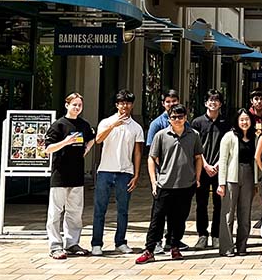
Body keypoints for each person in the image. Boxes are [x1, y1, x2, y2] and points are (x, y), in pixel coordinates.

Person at [136, 104, 202, 264]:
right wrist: (154, 181)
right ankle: (149, 250)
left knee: (179, 219)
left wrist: (197, 178)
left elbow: (198, 157)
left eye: (180, 117)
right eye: (174, 117)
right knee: (157, 219)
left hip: (186, 185)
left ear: (186, 118)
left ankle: (174, 246)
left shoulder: (194, 135)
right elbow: (152, 158)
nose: (177, 120)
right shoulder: (161, 135)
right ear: (169, 119)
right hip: (164, 185)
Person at [91, 89, 143, 256]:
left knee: (123, 209)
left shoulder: (136, 127)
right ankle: (96, 243)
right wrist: (113, 125)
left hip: (125, 172)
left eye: (127, 103)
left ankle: (120, 242)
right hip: (105, 170)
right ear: (116, 105)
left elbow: (137, 152)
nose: (124, 106)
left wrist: (136, 174)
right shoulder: (106, 122)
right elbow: (98, 139)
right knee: (100, 209)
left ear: (132, 105)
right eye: (121, 103)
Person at [44, 92, 96, 259]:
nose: (77, 108)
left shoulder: (83, 124)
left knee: (75, 211)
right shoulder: (58, 125)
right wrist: (66, 142)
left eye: (80, 105)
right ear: (67, 105)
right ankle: (55, 246)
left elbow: (92, 138)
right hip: (60, 174)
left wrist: (86, 150)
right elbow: (48, 148)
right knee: (55, 212)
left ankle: (72, 243)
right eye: (74, 104)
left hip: (77, 174)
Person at [192, 89, 229, 248]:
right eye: (210, 100)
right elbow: (195, 147)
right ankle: (202, 235)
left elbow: (228, 147)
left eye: (216, 100)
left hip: (220, 168)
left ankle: (216, 235)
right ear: (205, 103)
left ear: (220, 104)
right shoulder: (197, 122)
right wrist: (205, 164)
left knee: (219, 203)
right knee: (201, 203)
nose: (213, 103)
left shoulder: (226, 123)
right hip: (202, 168)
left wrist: (219, 164)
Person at [216, 108, 256, 257]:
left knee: (245, 214)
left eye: (247, 119)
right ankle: (226, 247)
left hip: (249, 176)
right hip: (231, 177)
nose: (244, 122)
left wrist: (256, 182)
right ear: (237, 121)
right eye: (242, 119)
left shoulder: (254, 137)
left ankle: (242, 246)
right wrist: (221, 183)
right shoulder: (229, 136)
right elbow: (223, 160)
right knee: (228, 213)